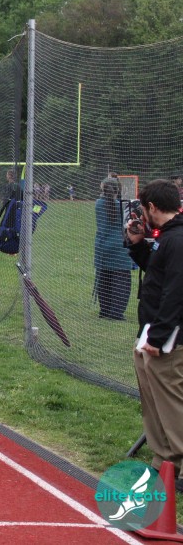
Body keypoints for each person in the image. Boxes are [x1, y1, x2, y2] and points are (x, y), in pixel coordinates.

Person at [125, 179, 183, 491]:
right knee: (154, 400)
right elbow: (157, 272)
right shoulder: (167, 237)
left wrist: (159, 338)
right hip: (153, 330)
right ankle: (164, 459)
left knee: (170, 402)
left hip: (169, 337)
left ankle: (176, 462)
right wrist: (138, 245)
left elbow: (175, 293)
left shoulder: (177, 239)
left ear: (151, 207)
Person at [94, 177, 133, 321]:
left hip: (102, 245)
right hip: (119, 246)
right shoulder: (122, 206)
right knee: (121, 280)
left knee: (104, 277)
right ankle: (116, 312)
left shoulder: (99, 203)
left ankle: (104, 310)